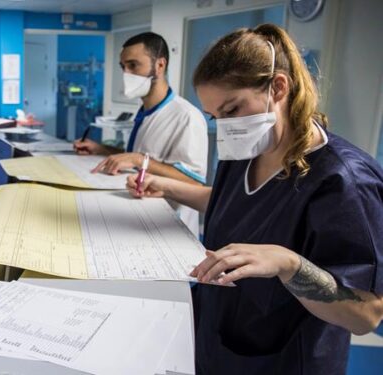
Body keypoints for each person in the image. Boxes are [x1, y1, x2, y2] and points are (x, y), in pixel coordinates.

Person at [127, 24, 383, 374]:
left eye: (232, 109)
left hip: (283, 360)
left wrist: (289, 264)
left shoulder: (344, 179)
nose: (224, 126)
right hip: (218, 337)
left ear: (278, 87)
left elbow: (366, 314)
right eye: (215, 116)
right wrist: (167, 187)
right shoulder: (247, 150)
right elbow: (238, 205)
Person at [73, 32, 208, 235]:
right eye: (123, 67)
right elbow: (140, 155)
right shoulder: (145, 111)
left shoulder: (187, 116)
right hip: (138, 218)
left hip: (169, 230)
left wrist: (138, 159)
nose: (126, 73)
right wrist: (101, 149)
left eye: (133, 65)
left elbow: (193, 182)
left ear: (160, 65)